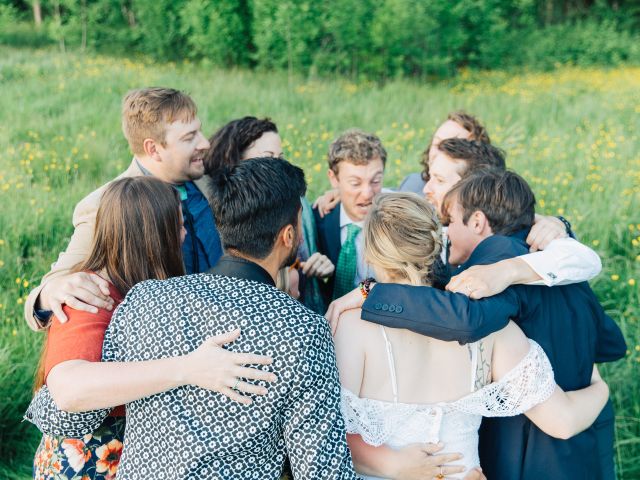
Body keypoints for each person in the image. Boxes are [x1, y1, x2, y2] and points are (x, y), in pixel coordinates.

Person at [30, 158, 357, 479]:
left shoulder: (145, 299)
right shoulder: (304, 331)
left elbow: (65, 419)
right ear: (288, 236)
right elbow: (323, 470)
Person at [332, 170, 626, 479]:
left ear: (371, 252)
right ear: (432, 246)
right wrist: (601, 389)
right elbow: (562, 419)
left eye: (452, 221)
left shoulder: (350, 327)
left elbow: (327, 438)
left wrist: (369, 290)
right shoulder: (497, 332)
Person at [24, 87, 222, 331]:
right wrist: (49, 292)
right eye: (189, 137)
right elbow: (52, 286)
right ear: (153, 149)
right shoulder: (104, 206)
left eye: (199, 130)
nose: (205, 143)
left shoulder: (206, 177)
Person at [204, 116, 333, 312]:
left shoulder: (299, 205)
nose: (277, 165)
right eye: (267, 156)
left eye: (280, 157)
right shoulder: (224, 216)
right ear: (236, 163)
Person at [314, 110, 490, 211]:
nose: (437, 154)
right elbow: (382, 194)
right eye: (437, 144)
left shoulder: (480, 205)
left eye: (451, 148)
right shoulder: (413, 183)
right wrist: (342, 192)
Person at [313, 129, 386, 302]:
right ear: (334, 179)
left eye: (376, 181)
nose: (368, 193)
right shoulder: (318, 218)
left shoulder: (397, 220)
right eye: (355, 183)